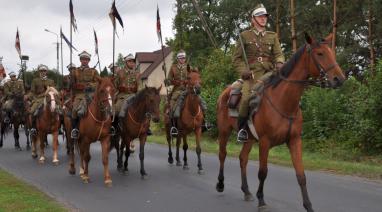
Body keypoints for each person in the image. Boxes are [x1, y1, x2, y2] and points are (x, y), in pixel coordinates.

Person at [231, 3, 285, 142]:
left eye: (265, 16)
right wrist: (244, 71)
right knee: (245, 99)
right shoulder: (244, 36)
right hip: (252, 75)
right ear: (253, 19)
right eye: (260, 16)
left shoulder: (272, 36)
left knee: (286, 90)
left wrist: (279, 62)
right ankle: (242, 129)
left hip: (270, 73)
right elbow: (236, 59)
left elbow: (279, 54)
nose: (263, 18)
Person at [165, 50, 209, 135]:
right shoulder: (173, 68)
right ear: (178, 59)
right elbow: (169, 80)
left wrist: (194, 71)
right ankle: (174, 126)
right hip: (177, 90)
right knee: (172, 104)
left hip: (188, 90)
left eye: (184, 58)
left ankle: (204, 123)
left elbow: (195, 74)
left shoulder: (189, 67)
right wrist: (168, 81)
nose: (183, 59)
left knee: (201, 101)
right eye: (181, 58)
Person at [70, 51, 100, 139]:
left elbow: (98, 82)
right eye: (83, 59)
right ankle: (75, 129)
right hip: (79, 95)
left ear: (89, 61)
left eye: (86, 59)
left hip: (91, 95)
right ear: (80, 60)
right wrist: (72, 83)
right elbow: (71, 85)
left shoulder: (93, 71)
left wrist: (90, 85)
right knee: (74, 110)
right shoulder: (75, 71)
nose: (85, 61)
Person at [29, 65, 56, 135]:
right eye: (41, 71)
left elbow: (53, 90)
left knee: (59, 110)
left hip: (49, 98)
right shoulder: (35, 81)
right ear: (39, 72)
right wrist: (33, 98)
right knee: (32, 111)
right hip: (39, 98)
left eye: (44, 71)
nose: (43, 72)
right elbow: (32, 91)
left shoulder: (51, 81)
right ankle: (33, 128)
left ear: (46, 72)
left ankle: (58, 127)